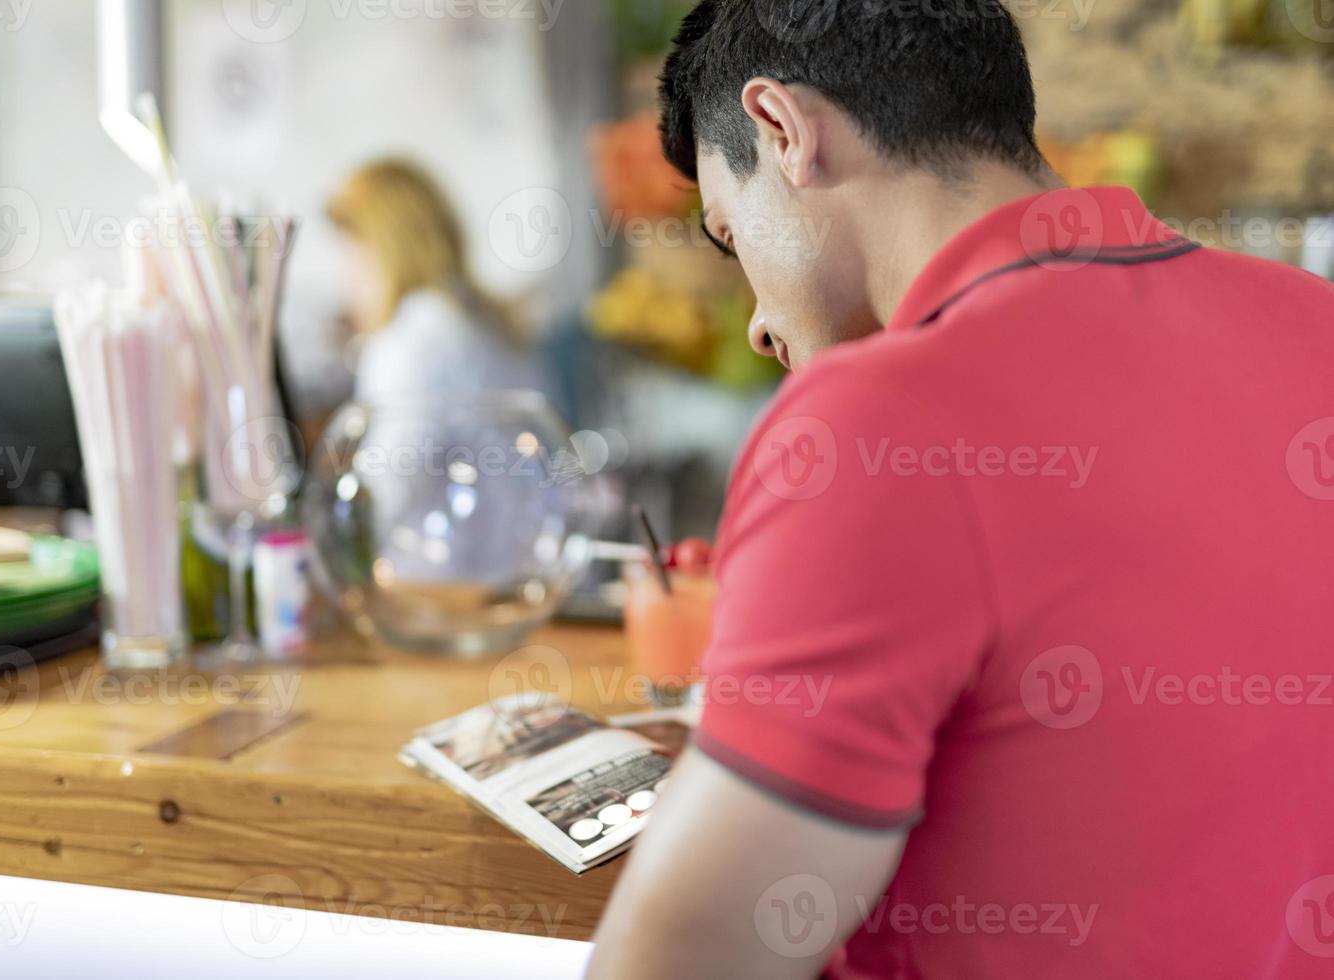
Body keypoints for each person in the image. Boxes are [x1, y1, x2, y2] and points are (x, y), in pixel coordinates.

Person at [586, 2, 1334, 979]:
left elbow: (677, 963)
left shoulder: (875, 425)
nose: (758, 327)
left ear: (782, 128)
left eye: (734, 238)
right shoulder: (1310, 321)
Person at [326, 159, 542, 401]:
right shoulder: (478, 315)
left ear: (382, 250)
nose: (343, 273)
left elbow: (393, 438)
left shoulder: (408, 343)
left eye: (346, 250)